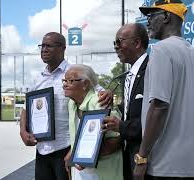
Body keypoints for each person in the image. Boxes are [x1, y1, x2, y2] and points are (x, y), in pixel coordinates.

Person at [134, 0, 194, 180]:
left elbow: (159, 106)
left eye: (151, 16)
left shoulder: (161, 50)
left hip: (165, 166)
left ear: (166, 16)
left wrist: (141, 158)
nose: (147, 22)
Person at [19, 32, 112, 180]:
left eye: (48, 45)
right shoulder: (37, 78)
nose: (44, 49)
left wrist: (108, 92)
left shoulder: (73, 73)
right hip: (42, 149)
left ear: (62, 48)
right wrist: (23, 130)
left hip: (66, 148)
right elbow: (26, 107)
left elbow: (98, 92)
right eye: (42, 46)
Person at [102, 23, 149, 180]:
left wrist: (121, 126)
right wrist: (113, 104)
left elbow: (155, 116)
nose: (116, 47)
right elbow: (130, 110)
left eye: (119, 41)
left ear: (136, 43)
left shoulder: (152, 69)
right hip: (129, 156)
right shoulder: (128, 75)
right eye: (114, 43)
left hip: (147, 158)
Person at [63, 64, 123, 180]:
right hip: (81, 172)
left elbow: (118, 139)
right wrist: (74, 151)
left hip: (103, 172)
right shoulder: (71, 104)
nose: (65, 84)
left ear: (85, 84)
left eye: (70, 81)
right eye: (64, 81)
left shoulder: (100, 103)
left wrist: (86, 156)